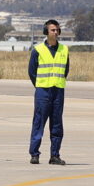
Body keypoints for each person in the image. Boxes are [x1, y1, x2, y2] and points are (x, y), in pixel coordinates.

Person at [28, 19, 69, 165]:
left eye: (57, 30)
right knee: (39, 123)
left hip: (58, 91)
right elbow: (32, 71)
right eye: (53, 30)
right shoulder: (38, 50)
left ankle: (55, 155)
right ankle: (34, 154)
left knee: (57, 124)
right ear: (46, 32)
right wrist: (40, 85)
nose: (56, 32)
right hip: (43, 92)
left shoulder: (64, 49)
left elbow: (65, 70)